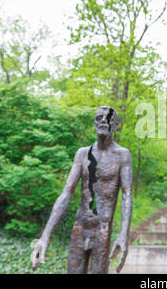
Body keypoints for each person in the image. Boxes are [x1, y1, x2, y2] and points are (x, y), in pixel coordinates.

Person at [31, 106, 132, 274]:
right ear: (94, 123)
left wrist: (123, 234)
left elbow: (127, 195)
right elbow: (66, 192)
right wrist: (45, 235)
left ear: (115, 125)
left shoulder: (122, 155)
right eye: (99, 118)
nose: (103, 122)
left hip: (103, 228)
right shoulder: (82, 154)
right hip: (80, 226)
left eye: (108, 119)